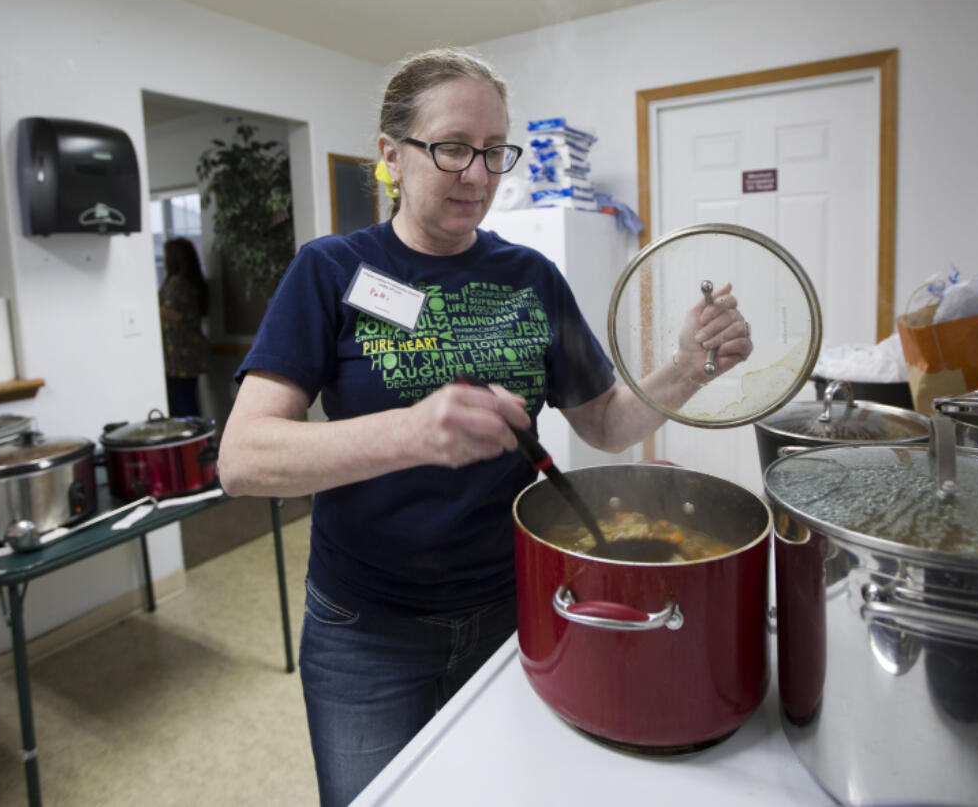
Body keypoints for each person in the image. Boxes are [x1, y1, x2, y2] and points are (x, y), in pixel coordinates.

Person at [217, 48, 751, 806]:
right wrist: (409, 433)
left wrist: (688, 367)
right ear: (391, 157)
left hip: (516, 605)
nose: (479, 174)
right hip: (367, 628)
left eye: (495, 151)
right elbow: (243, 458)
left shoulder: (530, 278)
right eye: (452, 148)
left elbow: (603, 422)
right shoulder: (330, 271)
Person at [158, 237, 211, 417]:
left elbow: (174, 314)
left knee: (182, 405)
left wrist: (147, 304)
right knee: (187, 400)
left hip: (178, 357)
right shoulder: (192, 282)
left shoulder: (177, 284)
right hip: (187, 355)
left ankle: (193, 444)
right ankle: (197, 443)